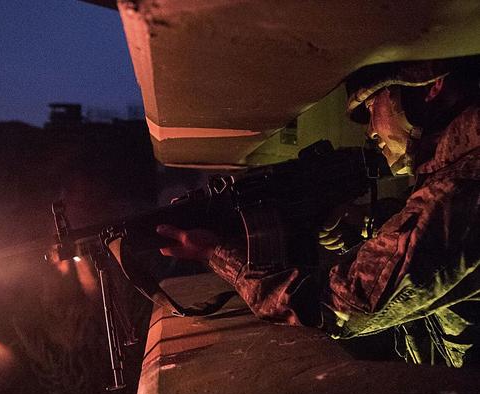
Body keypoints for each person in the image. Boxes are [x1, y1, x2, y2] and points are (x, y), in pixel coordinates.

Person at [157, 56, 480, 367]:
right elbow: (424, 243)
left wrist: (216, 253)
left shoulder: (461, 187)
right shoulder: (458, 171)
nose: (369, 131)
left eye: (370, 108)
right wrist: (361, 223)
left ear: (429, 88)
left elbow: (330, 308)